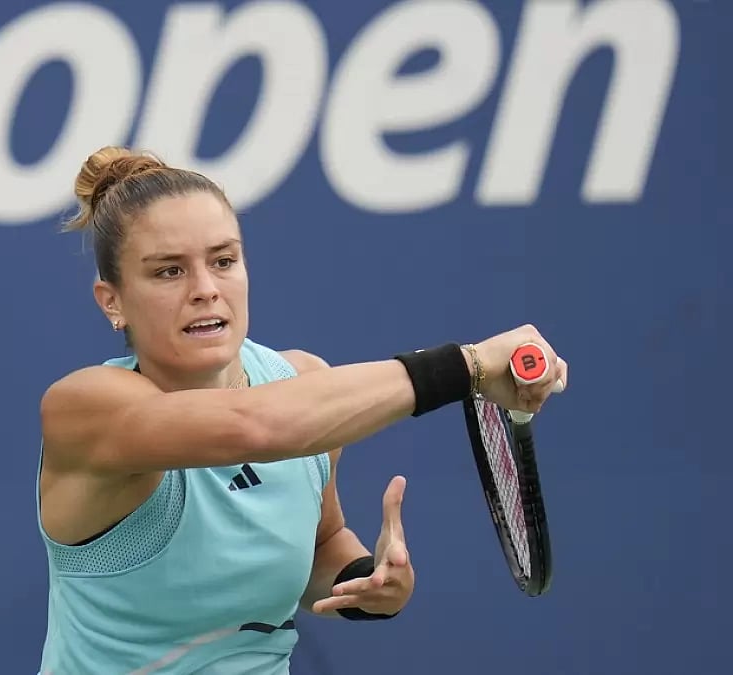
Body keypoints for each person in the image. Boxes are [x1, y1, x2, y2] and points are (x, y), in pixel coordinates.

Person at [35, 146, 568, 674]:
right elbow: (251, 425)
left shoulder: (301, 382)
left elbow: (321, 540)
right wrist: (465, 366)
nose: (205, 290)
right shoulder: (84, 411)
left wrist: (364, 579)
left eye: (223, 261)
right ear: (113, 301)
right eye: (169, 272)